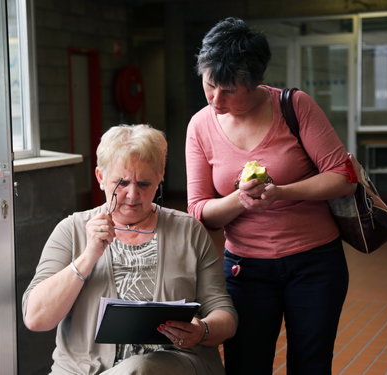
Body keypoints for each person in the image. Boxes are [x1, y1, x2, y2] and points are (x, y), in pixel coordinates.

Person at [185, 17, 357, 375]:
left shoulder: (294, 106)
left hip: (315, 264)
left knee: (310, 364)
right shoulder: (200, 126)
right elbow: (200, 211)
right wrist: (239, 199)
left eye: (230, 90)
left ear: (255, 81)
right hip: (244, 269)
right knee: (246, 364)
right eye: (210, 85)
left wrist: (280, 193)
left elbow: (343, 177)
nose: (217, 99)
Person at [23, 124, 237, 375]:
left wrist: (202, 330)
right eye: (122, 182)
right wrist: (89, 255)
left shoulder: (188, 231)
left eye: (144, 183)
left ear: (160, 176)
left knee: (138, 369)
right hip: (81, 369)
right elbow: (36, 318)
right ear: (100, 177)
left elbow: (225, 315)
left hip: (171, 365)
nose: (132, 195)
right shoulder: (71, 230)